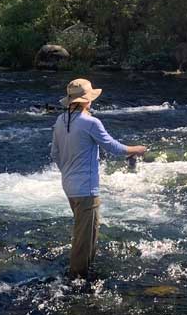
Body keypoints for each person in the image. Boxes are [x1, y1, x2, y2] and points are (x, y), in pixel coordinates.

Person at [50, 78, 146, 279]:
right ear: (87, 100)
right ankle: (76, 282)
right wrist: (137, 149)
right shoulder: (91, 122)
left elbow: (55, 154)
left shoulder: (61, 120)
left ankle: (83, 274)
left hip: (69, 186)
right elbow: (114, 148)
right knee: (84, 240)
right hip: (86, 190)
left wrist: (68, 173)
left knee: (85, 234)